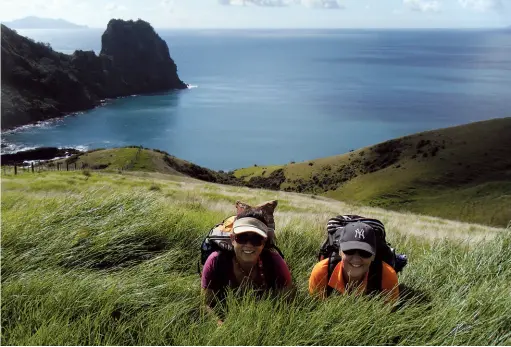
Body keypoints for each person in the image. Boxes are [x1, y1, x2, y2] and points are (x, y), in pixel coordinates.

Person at [201, 209, 293, 324]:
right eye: (242, 237)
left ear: (264, 243)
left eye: (256, 239)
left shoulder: (274, 262)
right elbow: (207, 304)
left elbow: (287, 305)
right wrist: (221, 326)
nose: (248, 245)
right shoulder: (216, 261)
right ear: (232, 239)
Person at [309, 221, 399, 302]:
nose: (356, 259)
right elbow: (316, 308)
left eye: (365, 252)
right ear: (340, 251)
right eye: (349, 250)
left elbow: (387, 317)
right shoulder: (321, 272)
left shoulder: (387, 276)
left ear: (373, 255)